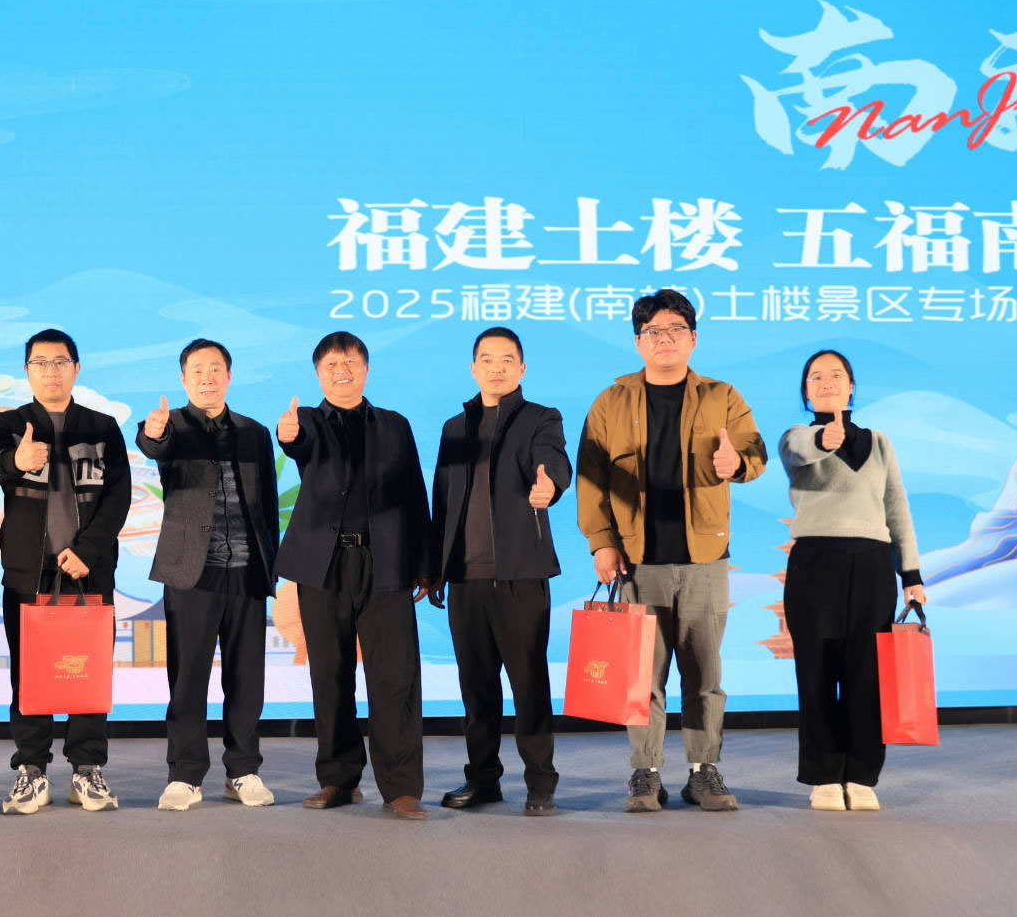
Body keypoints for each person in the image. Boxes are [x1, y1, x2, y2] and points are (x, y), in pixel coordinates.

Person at [577, 288, 767, 813]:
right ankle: (646, 773)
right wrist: (601, 542)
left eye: (676, 330)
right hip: (638, 561)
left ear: (693, 339)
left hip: (705, 560)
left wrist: (736, 464)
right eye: (654, 331)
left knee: (705, 676)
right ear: (638, 342)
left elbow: (754, 450)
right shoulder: (611, 401)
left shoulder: (722, 396)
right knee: (642, 678)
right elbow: (590, 477)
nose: (665, 339)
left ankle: (704, 773)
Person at [275, 332, 434, 821]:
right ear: (318, 373)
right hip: (323, 566)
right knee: (330, 674)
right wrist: (289, 434)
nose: (341, 370)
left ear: (365, 369)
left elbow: (415, 493)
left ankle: (401, 787)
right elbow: (297, 445)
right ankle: (339, 778)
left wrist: (426, 565)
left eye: (350, 362)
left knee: (395, 676)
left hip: (386, 563)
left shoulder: (395, 425)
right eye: (331, 364)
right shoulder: (307, 421)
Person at [0, 328, 131, 814]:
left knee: (87, 671)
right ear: (27, 371)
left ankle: (87, 769)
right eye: (40, 363)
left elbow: (118, 497)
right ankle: (32, 769)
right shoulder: (8, 423)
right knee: (29, 676)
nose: (51, 371)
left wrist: (88, 550)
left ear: (76, 368)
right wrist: (14, 460)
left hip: (89, 571)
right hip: (29, 573)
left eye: (60, 362)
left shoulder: (103, 427)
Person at [430, 327, 570, 817]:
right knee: (477, 688)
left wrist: (549, 487)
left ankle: (541, 783)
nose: (496, 367)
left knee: (529, 684)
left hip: (520, 576)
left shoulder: (541, 418)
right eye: (487, 359)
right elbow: (442, 499)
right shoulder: (454, 427)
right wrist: (434, 569)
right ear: (473, 368)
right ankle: (483, 779)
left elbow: (553, 461)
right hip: (465, 579)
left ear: (521, 368)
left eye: (507, 359)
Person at [779, 349, 927, 811]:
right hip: (815, 564)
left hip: (871, 565)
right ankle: (824, 776)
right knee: (817, 674)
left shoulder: (880, 443)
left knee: (868, 674)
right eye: (816, 377)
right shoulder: (795, 437)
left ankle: (861, 776)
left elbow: (896, 508)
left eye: (836, 375)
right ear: (807, 392)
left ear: (851, 387)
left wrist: (911, 574)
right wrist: (825, 438)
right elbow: (801, 450)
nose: (827, 382)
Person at [137, 339, 279, 812]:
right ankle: (185, 774)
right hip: (191, 572)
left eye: (215, 369)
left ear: (229, 376)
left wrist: (271, 566)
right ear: (183, 379)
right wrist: (154, 432)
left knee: (247, 678)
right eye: (197, 370)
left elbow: (268, 505)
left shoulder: (255, 432)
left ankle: (243, 770)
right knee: (188, 678)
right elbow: (152, 445)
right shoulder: (171, 426)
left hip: (247, 569)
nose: (206, 377)